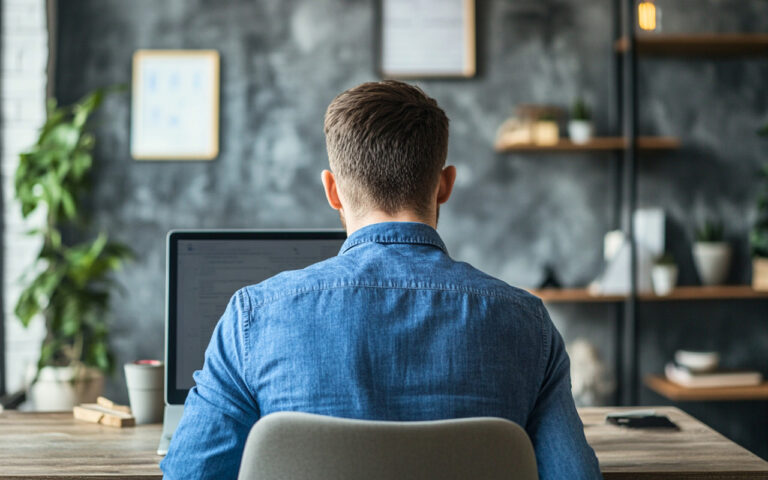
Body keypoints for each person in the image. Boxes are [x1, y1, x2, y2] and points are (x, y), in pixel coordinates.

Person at [161, 80, 602, 479]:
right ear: (445, 184)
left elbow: (188, 476)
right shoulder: (528, 323)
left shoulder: (251, 320)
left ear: (331, 190)